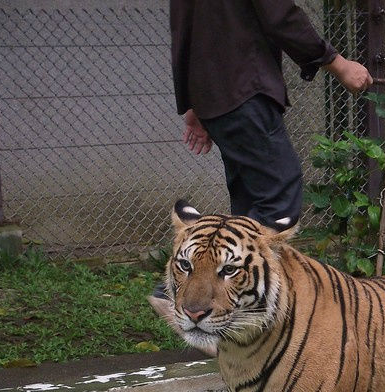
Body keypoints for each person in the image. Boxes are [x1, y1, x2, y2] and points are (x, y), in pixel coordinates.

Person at [150, 0, 372, 352]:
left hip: (216, 92)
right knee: (279, 193)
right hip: (244, 88)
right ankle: (204, 303)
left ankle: (227, 315)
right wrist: (338, 64)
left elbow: (184, 29)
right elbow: (280, 14)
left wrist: (193, 101)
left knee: (247, 207)